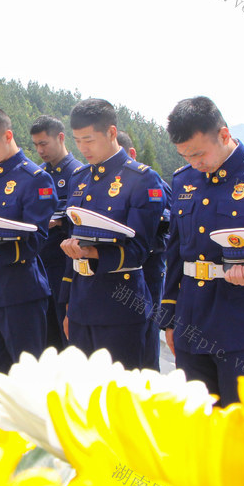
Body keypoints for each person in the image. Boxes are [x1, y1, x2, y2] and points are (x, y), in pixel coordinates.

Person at [160, 96, 244, 406]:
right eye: (186, 155)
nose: (195, 163)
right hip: (191, 319)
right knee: (196, 422)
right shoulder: (184, 180)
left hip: (240, 322)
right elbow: (176, 250)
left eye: (199, 154)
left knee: (238, 426)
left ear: (223, 135)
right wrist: (169, 316)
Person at [59, 99, 166, 369]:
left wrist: (93, 252)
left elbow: (141, 249)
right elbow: (76, 238)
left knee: (119, 397)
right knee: (84, 394)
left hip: (121, 304)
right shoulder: (80, 178)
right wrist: (69, 305)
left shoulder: (142, 179)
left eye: (89, 140)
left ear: (111, 133)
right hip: (82, 303)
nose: (83, 149)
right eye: (77, 141)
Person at [0, 106, 56, 372]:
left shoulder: (35, 179)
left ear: (7, 136)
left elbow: (37, 239)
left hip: (20, 291)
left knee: (26, 376)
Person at [117, 131, 170, 369]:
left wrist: (137, 243)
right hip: (116, 275)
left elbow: (168, 234)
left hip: (148, 272)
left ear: (132, 154)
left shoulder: (154, 182)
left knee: (146, 338)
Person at [31, 115, 82, 348]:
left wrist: (61, 222)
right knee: (45, 339)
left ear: (60, 138)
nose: (40, 150)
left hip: (65, 266)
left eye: (44, 143)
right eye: (36, 145)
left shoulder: (80, 174)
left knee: (68, 337)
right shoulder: (36, 175)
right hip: (39, 265)